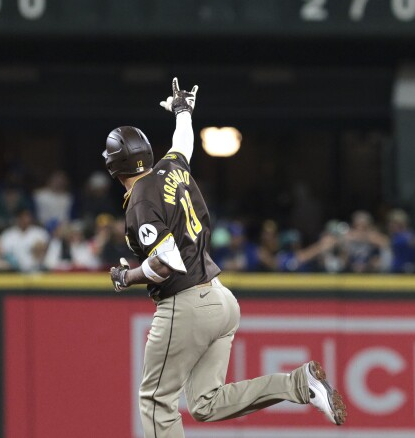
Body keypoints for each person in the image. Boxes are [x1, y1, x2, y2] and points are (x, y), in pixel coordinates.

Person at [106, 79, 346, 437]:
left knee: (156, 399)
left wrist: (127, 276)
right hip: (220, 298)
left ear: (113, 167)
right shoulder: (170, 169)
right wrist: (183, 110)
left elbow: (165, 262)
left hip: (185, 303)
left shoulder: (140, 202)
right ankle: (298, 384)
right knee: (204, 404)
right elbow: (182, 142)